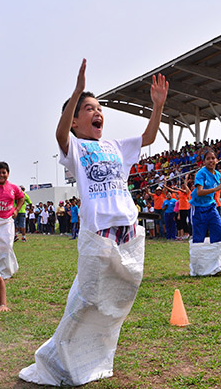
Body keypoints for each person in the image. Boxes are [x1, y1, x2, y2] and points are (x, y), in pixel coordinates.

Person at [19, 59, 168, 386]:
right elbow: (59, 134)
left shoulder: (116, 146)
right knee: (88, 299)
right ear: (74, 120)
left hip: (127, 235)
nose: (97, 112)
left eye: (99, 108)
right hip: (97, 235)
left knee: (118, 300)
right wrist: (75, 92)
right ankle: (58, 359)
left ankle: (92, 357)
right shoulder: (75, 147)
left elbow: (149, 137)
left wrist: (157, 106)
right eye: (88, 109)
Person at [188, 149, 221, 276]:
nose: (211, 161)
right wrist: (216, 188)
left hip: (211, 207)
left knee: (220, 232)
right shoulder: (200, 174)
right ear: (204, 162)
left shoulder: (218, 175)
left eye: (213, 158)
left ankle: (214, 265)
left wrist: (219, 192)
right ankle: (198, 269)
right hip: (198, 208)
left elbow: (214, 192)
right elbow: (199, 192)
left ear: (217, 160)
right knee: (199, 238)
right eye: (208, 158)